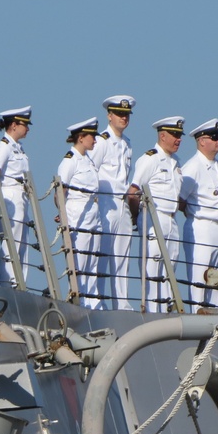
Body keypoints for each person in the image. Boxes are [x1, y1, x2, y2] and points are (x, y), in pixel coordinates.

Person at [128, 117, 185, 313]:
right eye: (175, 135)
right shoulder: (150, 159)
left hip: (171, 218)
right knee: (152, 266)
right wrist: (136, 218)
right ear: (162, 135)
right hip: (153, 217)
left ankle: (167, 309)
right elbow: (133, 191)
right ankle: (151, 311)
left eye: (179, 135)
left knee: (171, 266)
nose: (178, 139)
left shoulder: (176, 162)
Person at [90, 95, 136, 310]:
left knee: (122, 254)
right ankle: (98, 299)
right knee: (103, 253)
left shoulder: (127, 144)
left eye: (126, 114)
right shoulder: (101, 141)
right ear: (109, 116)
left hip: (122, 203)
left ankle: (121, 301)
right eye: (119, 114)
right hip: (106, 202)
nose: (123, 118)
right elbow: (91, 172)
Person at [179, 119, 218, 312]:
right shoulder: (193, 167)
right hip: (201, 226)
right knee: (199, 277)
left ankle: (214, 315)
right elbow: (179, 199)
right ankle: (197, 315)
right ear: (202, 141)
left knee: (217, 279)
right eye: (215, 138)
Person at [58, 118, 102, 307]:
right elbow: (60, 190)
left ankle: (92, 301)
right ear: (81, 137)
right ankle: (79, 300)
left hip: (93, 212)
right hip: (78, 212)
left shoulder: (88, 160)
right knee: (80, 261)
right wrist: (62, 212)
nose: (95, 140)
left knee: (93, 259)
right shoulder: (70, 160)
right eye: (91, 136)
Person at [0, 107, 33, 287]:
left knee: (22, 243)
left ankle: (19, 283)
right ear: (14, 125)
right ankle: (8, 283)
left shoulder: (19, 148)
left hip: (21, 197)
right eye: (25, 124)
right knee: (11, 243)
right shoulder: (4, 146)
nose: (28, 129)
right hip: (9, 195)